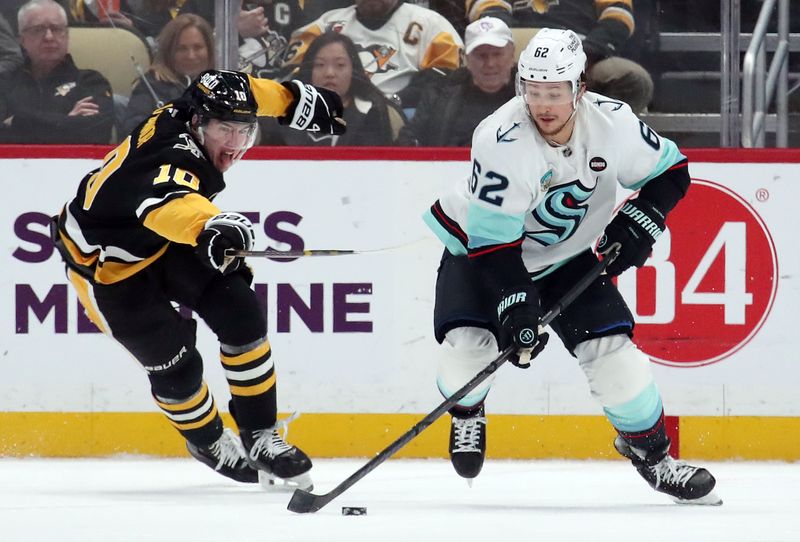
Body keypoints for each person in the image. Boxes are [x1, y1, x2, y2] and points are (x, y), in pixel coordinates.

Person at [422, 28, 721, 505]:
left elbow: (672, 171)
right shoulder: (500, 138)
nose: (543, 103)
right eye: (533, 90)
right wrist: (516, 309)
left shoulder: (613, 122)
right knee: (467, 357)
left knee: (617, 362)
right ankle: (468, 412)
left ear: (579, 87)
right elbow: (495, 246)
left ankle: (654, 457)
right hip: (480, 253)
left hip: (565, 257)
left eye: (555, 92)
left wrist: (644, 217)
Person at [50, 69, 345, 488]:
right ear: (197, 123)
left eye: (244, 131)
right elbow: (164, 203)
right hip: (106, 267)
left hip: (163, 239)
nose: (233, 144)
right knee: (176, 368)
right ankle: (207, 441)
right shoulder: (175, 155)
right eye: (224, 130)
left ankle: (260, 434)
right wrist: (210, 225)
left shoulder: (196, 105)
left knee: (240, 310)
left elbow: (245, 91)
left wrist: (292, 100)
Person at [466, 0, 654, 113]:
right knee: (489, 62)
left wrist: (581, 54)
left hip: (580, 51)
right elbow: (488, 15)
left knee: (634, 79)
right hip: (519, 49)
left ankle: (593, 147)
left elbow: (619, 17)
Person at [283, 0, 463, 108]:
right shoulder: (324, 26)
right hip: (331, 114)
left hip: (399, 118)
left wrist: (398, 101)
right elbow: (293, 75)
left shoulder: (432, 25)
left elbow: (448, 80)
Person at [260, 32, 404, 146]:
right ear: (309, 71)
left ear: (353, 71)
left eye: (340, 65)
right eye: (320, 65)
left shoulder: (372, 112)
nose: (329, 73)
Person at [0, 0, 113, 144]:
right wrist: (68, 120)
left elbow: (96, 132)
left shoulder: (91, 82)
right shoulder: (5, 83)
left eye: (56, 29)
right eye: (38, 29)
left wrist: (18, 121)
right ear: (22, 39)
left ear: (66, 35)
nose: (49, 37)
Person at [396, 16, 515, 146]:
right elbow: (407, 139)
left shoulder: (534, 93)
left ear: (512, 54)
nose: (490, 63)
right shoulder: (439, 92)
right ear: (466, 59)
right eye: (481, 55)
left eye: (497, 54)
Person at [121, 13, 214, 134]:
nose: (191, 56)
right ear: (169, 51)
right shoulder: (150, 86)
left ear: (210, 49)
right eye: (182, 49)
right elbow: (134, 131)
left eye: (198, 47)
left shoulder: (227, 85)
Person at [179, 0, 305, 80]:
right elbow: (173, 58)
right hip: (216, 96)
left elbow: (306, 58)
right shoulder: (202, 4)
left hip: (274, 100)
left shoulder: (289, 5)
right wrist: (232, 32)